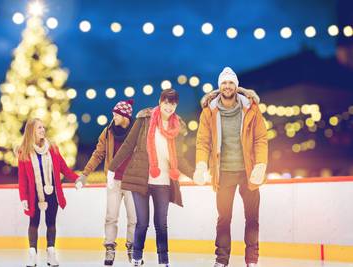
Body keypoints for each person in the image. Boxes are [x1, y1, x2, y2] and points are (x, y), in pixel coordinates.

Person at [108, 89, 194, 267]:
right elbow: (128, 145)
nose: (169, 107)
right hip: (141, 179)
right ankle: (137, 258)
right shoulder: (144, 120)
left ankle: (164, 260)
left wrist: (195, 174)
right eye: (166, 102)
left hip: (163, 182)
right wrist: (112, 168)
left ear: (176, 105)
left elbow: (179, 158)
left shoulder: (176, 127)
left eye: (173, 104)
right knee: (142, 223)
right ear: (160, 102)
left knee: (161, 224)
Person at [194, 67, 268, 267]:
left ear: (236, 86)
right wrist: (201, 165)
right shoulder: (209, 111)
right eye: (224, 83)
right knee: (224, 218)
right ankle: (221, 260)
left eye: (230, 83)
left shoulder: (251, 108)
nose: (227, 86)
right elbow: (203, 142)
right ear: (219, 87)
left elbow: (261, 138)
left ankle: (252, 260)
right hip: (223, 173)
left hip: (248, 172)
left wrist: (260, 165)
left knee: (252, 218)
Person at [78, 100, 137, 266]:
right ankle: (110, 247)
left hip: (132, 181)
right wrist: (85, 174)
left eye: (117, 114)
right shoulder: (108, 132)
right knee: (111, 217)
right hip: (114, 182)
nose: (114, 117)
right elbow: (98, 154)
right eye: (114, 114)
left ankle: (132, 247)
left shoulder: (137, 131)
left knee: (134, 218)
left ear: (125, 116)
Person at [17, 118, 81, 267]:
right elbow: (22, 179)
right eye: (39, 128)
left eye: (43, 127)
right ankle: (32, 254)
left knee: (51, 223)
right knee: (34, 223)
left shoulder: (52, 148)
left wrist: (77, 179)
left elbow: (64, 168)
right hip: (34, 195)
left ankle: (51, 252)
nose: (42, 130)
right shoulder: (24, 152)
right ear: (31, 131)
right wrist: (23, 198)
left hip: (52, 193)